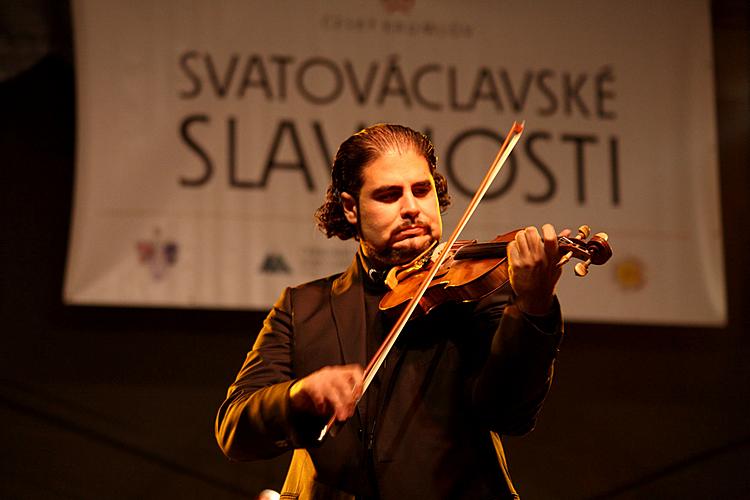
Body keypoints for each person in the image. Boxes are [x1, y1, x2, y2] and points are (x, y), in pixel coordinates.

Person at [216, 124, 566, 499]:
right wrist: (298, 395)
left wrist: (532, 306)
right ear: (351, 208)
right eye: (388, 195)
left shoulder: (476, 296)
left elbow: (510, 413)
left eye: (421, 190)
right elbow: (235, 430)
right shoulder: (302, 307)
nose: (412, 208)